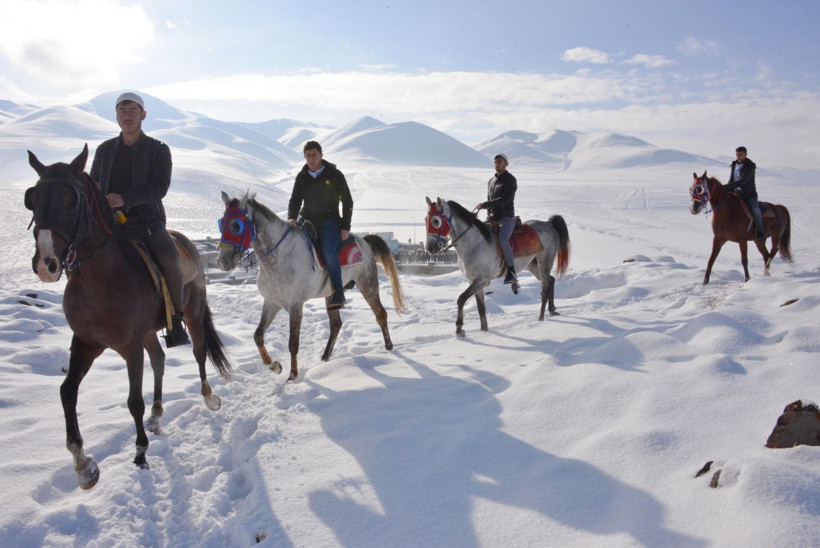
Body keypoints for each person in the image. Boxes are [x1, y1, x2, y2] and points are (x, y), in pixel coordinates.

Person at [90, 92, 190, 347]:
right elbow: (94, 185)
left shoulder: (158, 149)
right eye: (122, 110)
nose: (127, 115)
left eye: (133, 110)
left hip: (147, 223)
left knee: (170, 259)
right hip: (110, 225)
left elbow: (159, 188)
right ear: (116, 115)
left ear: (143, 115)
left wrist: (124, 199)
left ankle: (175, 321)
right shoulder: (104, 150)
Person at [287, 141, 354, 309]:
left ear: (321, 155)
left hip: (329, 222)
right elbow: (295, 200)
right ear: (304, 157)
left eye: (314, 155)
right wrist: (291, 218)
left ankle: (338, 293)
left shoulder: (334, 175)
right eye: (308, 156)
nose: (311, 159)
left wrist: (345, 226)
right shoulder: (302, 176)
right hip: (306, 221)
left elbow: (347, 201)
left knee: (329, 252)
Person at [477, 153, 518, 287]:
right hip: (493, 219)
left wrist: (485, 205)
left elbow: (505, 200)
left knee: (503, 239)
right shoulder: (491, 181)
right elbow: (490, 200)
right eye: (495, 162)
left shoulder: (510, 180)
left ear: (506, 164)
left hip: (506, 218)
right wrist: (488, 214)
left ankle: (511, 271)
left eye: (500, 162)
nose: (497, 164)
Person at [725, 146, 764, 240]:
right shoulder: (734, 164)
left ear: (746, 154)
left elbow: (742, 182)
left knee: (756, 210)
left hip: (748, 194)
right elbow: (732, 179)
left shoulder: (750, 166)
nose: (738, 156)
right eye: (737, 154)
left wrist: (725, 187)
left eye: (740, 154)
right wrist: (724, 188)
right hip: (735, 192)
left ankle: (760, 230)